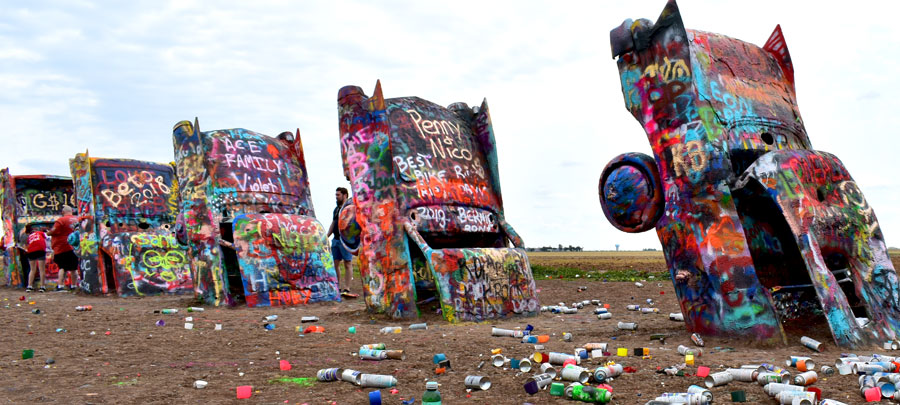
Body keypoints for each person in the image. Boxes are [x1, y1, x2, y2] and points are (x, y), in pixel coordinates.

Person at [327, 187, 353, 295]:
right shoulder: (336, 209)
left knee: (347, 263)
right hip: (336, 240)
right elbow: (333, 223)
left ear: (344, 195)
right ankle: (337, 286)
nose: (336, 197)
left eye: (338, 195)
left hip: (346, 240)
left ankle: (347, 288)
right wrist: (327, 236)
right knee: (335, 263)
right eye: (336, 195)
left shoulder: (350, 208)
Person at [48, 206, 79, 291]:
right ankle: (74, 286)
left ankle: (60, 286)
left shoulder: (61, 220)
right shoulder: (77, 219)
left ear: (63, 212)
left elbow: (53, 231)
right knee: (74, 268)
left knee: (62, 267)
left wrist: (48, 232)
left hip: (61, 247)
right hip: (74, 246)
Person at [20, 224, 48, 292]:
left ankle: (29, 286)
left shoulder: (29, 236)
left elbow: (27, 244)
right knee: (42, 269)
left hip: (31, 251)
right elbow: (46, 237)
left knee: (32, 269)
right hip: (40, 250)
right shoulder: (40, 233)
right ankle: (42, 287)